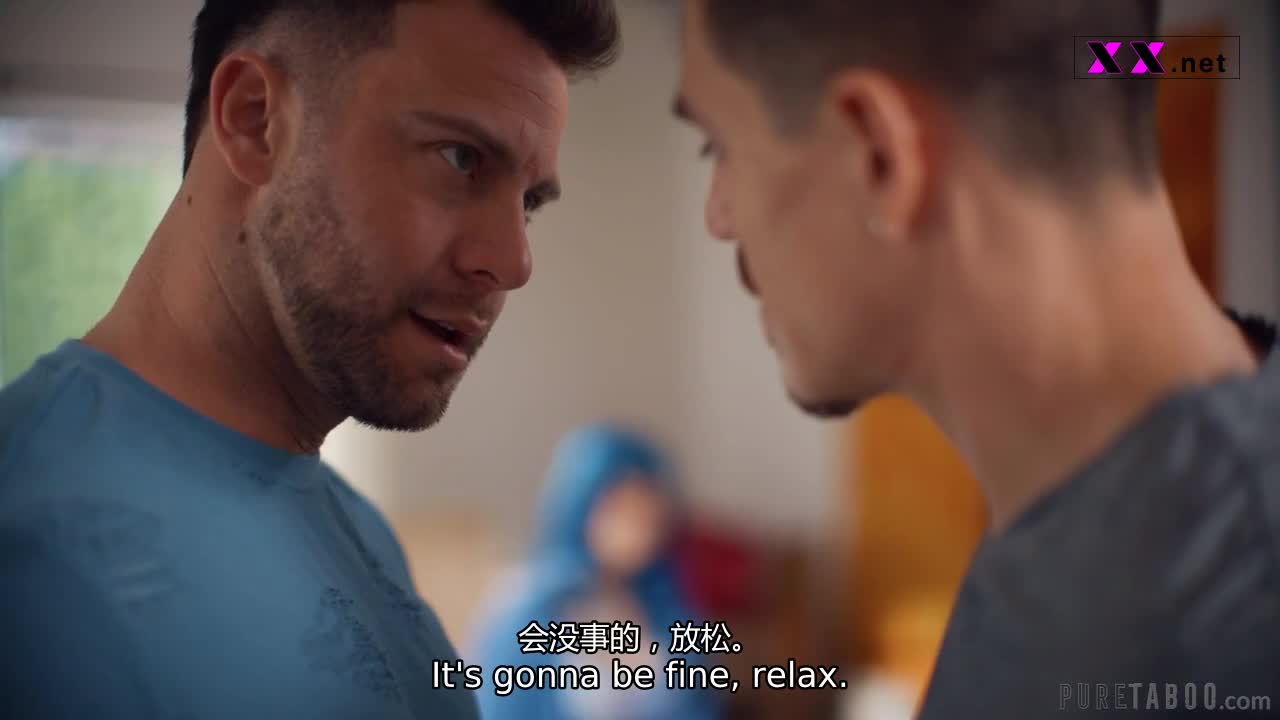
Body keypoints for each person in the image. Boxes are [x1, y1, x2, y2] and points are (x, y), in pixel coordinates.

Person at [0, 1, 618, 717]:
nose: (513, 262)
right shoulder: (29, 541)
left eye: (529, 202)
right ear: (255, 120)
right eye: (461, 159)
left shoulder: (361, 531)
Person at [672, 0, 1279, 716]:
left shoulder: (1188, 622)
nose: (717, 218)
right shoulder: (1105, 538)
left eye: (718, 147)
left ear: (880, 154)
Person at [470, 424, 721, 720]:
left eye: (649, 511)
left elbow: (700, 705)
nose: (638, 528)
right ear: (581, 504)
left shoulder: (666, 607)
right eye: (622, 508)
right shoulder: (527, 606)